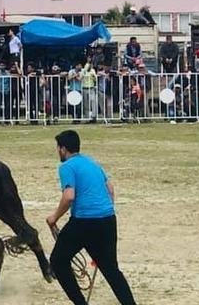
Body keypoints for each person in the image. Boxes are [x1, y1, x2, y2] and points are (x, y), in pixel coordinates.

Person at [46, 130, 136, 305]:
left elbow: (69, 196)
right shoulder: (92, 163)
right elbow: (110, 189)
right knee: (111, 270)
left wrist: (54, 218)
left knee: (58, 261)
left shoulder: (67, 166)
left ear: (63, 149)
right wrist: (105, 209)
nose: (58, 151)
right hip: (108, 219)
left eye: (58, 148)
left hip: (84, 222)